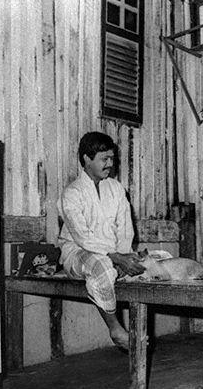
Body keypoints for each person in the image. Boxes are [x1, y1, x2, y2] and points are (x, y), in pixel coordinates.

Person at [58, 132, 145, 350]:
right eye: (104, 159)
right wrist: (116, 258)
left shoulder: (116, 188)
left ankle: (140, 336)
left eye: (112, 159)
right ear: (87, 159)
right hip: (77, 254)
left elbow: (125, 229)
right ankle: (115, 329)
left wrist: (125, 256)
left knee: (150, 263)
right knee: (102, 265)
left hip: (115, 253)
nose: (110, 164)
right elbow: (83, 237)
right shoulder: (72, 193)